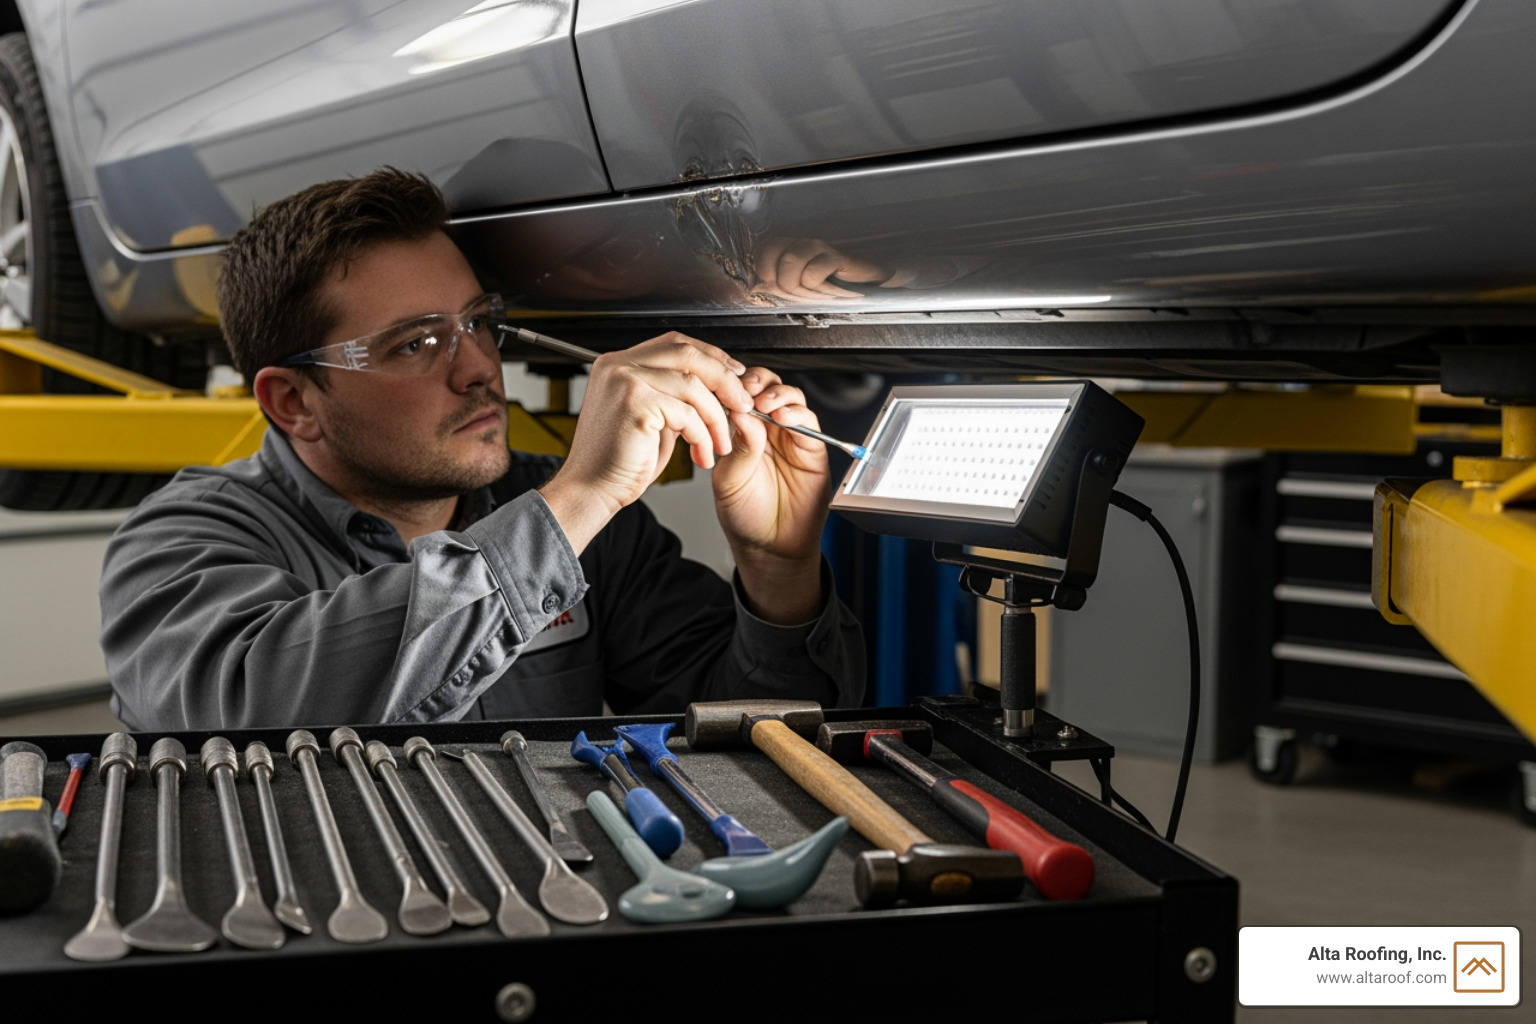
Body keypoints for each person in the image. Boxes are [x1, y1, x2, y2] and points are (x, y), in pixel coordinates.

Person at [99, 169, 864, 730]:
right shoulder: (181, 542)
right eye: (416, 344)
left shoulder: (589, 532)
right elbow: (252, 709)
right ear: (293, 402)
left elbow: (751, 730)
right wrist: (580, 498)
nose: (478, 369)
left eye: (476, 321)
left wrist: (778, 570)